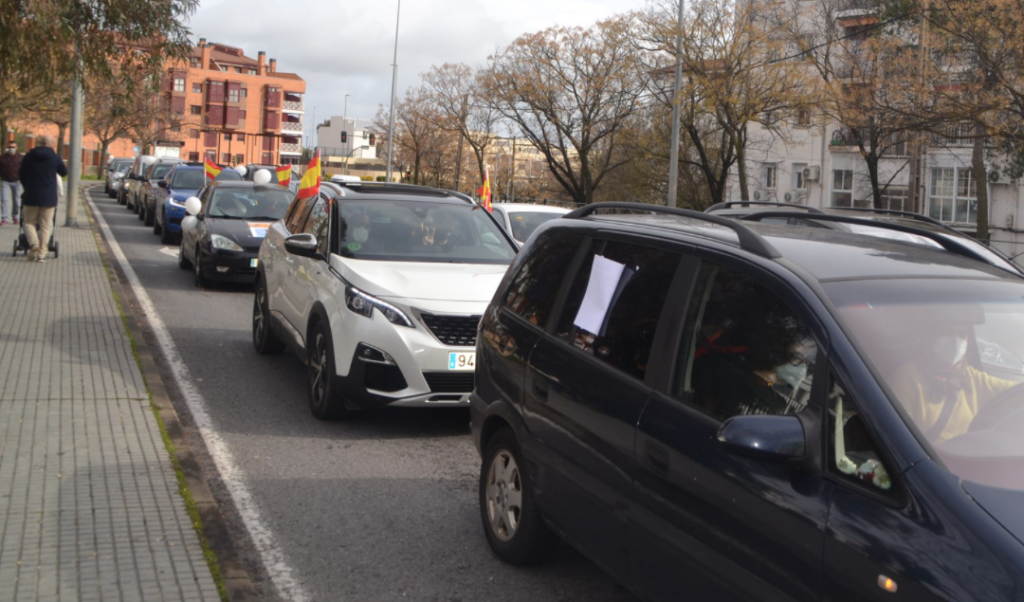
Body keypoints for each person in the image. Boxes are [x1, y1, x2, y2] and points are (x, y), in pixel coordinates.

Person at [890, 323, 1016, 443]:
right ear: (931, 336)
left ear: (969, 339)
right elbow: (899, 435)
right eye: (947, 332)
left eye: (962, 334)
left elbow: (1014, 391)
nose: (956, 341)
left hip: (967, 458)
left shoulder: (971, 376)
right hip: (931, 460)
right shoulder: (907, 376)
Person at [19, 135, 68, 262]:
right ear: (52, 144)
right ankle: (41, 254)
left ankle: (33, 244)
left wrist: (27, 186)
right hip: (49, 197)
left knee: (28, 222)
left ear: (39, 143)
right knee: (46, 226)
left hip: (31, 195)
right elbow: (64, 172)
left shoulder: (28, 157)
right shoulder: (55, 157)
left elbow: (21, 174)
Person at [0, 141, 23, 225]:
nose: (11, 149)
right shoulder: (2, 158)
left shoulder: (20, 158)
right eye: (10, 147)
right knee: (4, 200)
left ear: (16, 148)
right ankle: (4, 218)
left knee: (16, 201)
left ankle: (15, 217)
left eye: (13, 147)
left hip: (17, 181)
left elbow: (24, 169)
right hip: (5, 181)